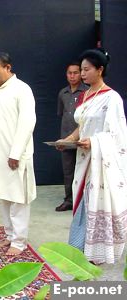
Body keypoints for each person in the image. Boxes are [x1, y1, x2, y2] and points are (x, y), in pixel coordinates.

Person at [58, 48, 127, 264]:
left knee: (94, 203)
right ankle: (81, 248)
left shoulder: (111, 98)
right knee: (82, 204)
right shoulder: (86, 95)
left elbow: (117, 134)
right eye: (81, 70)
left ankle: (98, 252)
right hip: (84, 159)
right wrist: (68, 140)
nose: (82, 74)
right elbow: (82, 126)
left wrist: (94, 141)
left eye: (87, 70)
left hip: (101, 162)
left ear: (100, 70)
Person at [0, 52, 37, 256]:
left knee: (18, 199)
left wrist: (15, 153)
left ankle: (19, 241)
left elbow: (27, 123)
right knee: (4, 197)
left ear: (8, 67)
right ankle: (9, 235)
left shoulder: (22, 89)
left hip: (17, 155)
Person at [55, 62, 88, 212]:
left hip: (83, 138)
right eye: (70, 73)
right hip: (66, 137)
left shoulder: (87, 92)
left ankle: (83, 202)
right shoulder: (63, 93)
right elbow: (62, 114)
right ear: (66, 74)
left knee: (83, 170)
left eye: (76, 72)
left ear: (81, 74)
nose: (73, 76)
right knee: (68, 171)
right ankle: (69, 200)